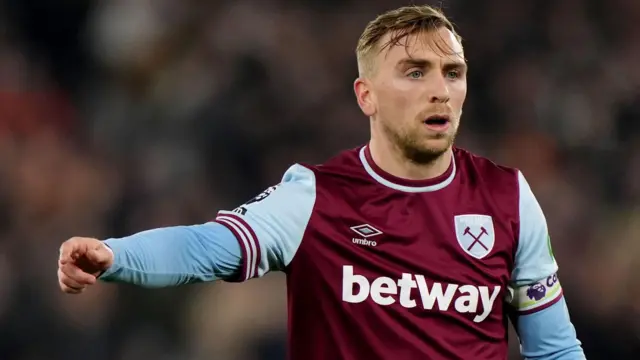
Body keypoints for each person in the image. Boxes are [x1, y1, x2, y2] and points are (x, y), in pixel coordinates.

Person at [57, 5, 586, 360]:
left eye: (453, 71)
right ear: (366, 96)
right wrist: (115, 255)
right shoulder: (314, 197)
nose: (440, 90)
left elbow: (555, 349)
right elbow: (206, 247)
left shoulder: (507, 197)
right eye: (415, 71)